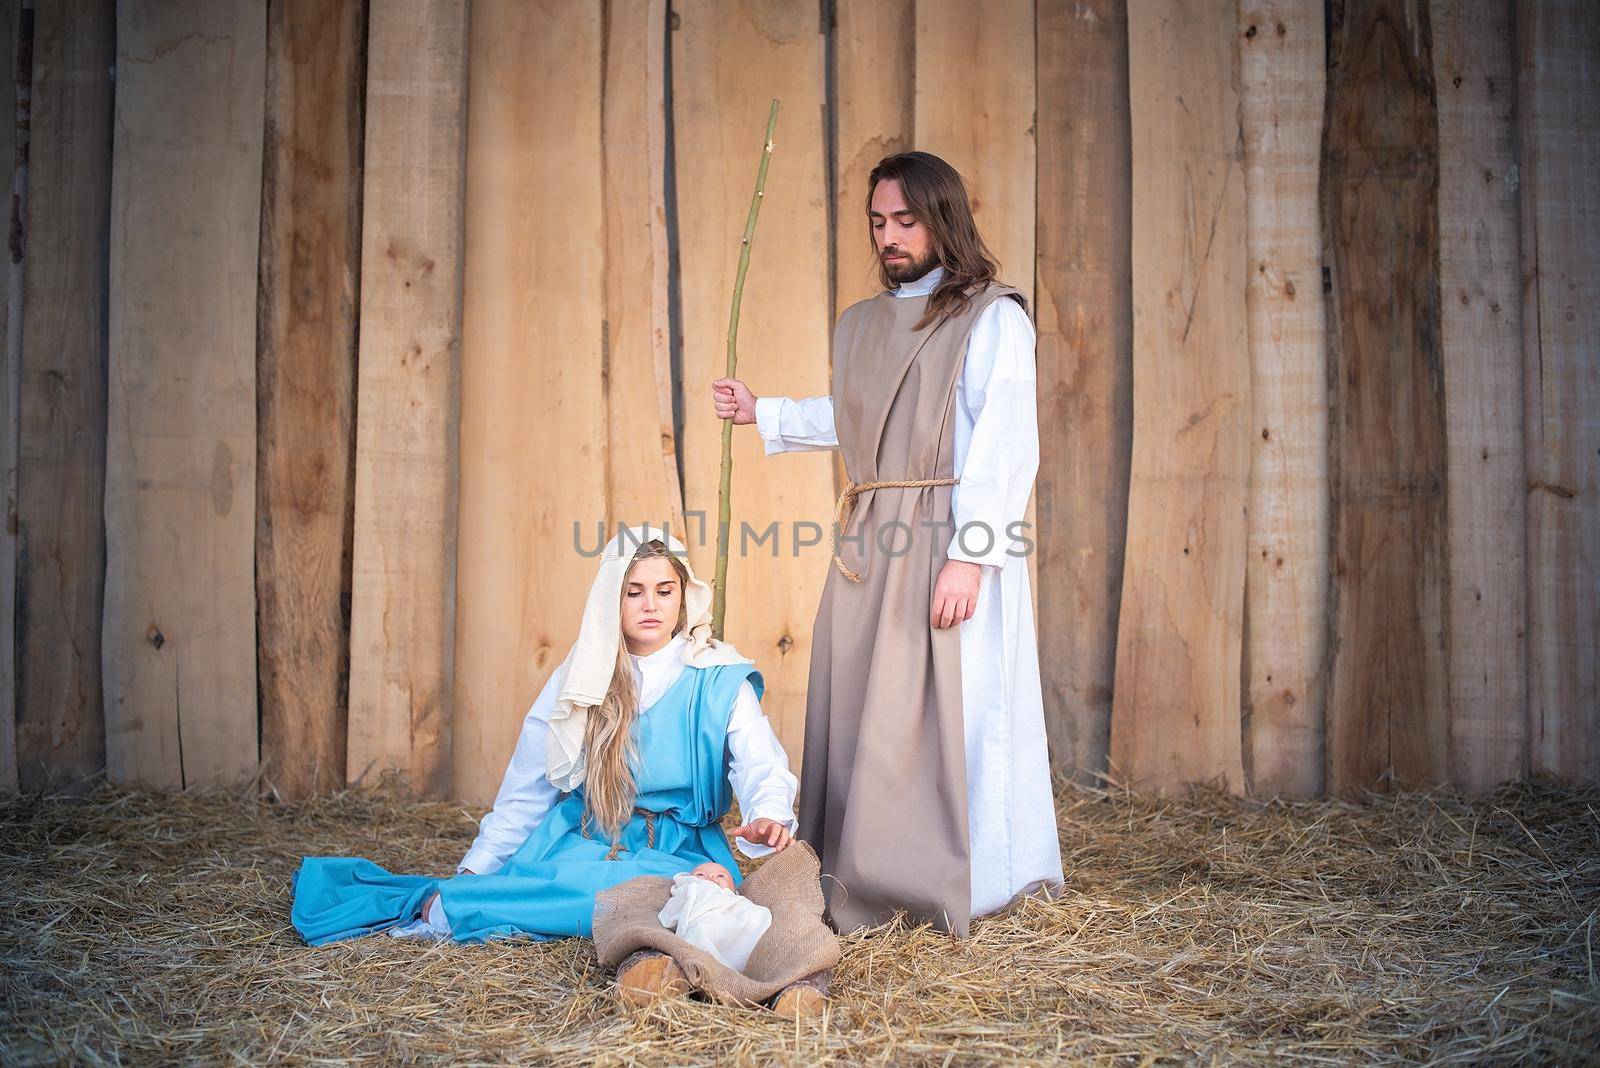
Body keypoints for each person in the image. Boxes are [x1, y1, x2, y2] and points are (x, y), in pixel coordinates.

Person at [712, 151, 1063, 937]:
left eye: (906, 220)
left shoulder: (990, 317)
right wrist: (763, 412)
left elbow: (1006, 446)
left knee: (956, 707)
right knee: (867, 708)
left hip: (950, 538)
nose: (890, 236)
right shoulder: (864, 324)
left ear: (943, 220)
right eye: (878, 222)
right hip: (872, 540)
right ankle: (863, 872)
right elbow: (857, 418)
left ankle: (987, 877)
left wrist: (971, 556)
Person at [290, 525, 798, 946]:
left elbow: (759, 763)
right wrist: (478, 867)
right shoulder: (581, 679)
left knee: (689, 890)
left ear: (683, 597)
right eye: (634, 592)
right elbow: (529, 786)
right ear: (610, 600)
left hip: (682, 848)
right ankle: (462, 901)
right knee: (613, 891)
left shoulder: (719, 678)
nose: (651, 605)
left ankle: (528, 904)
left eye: (664, 591)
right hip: (589, 839)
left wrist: (767, 814)